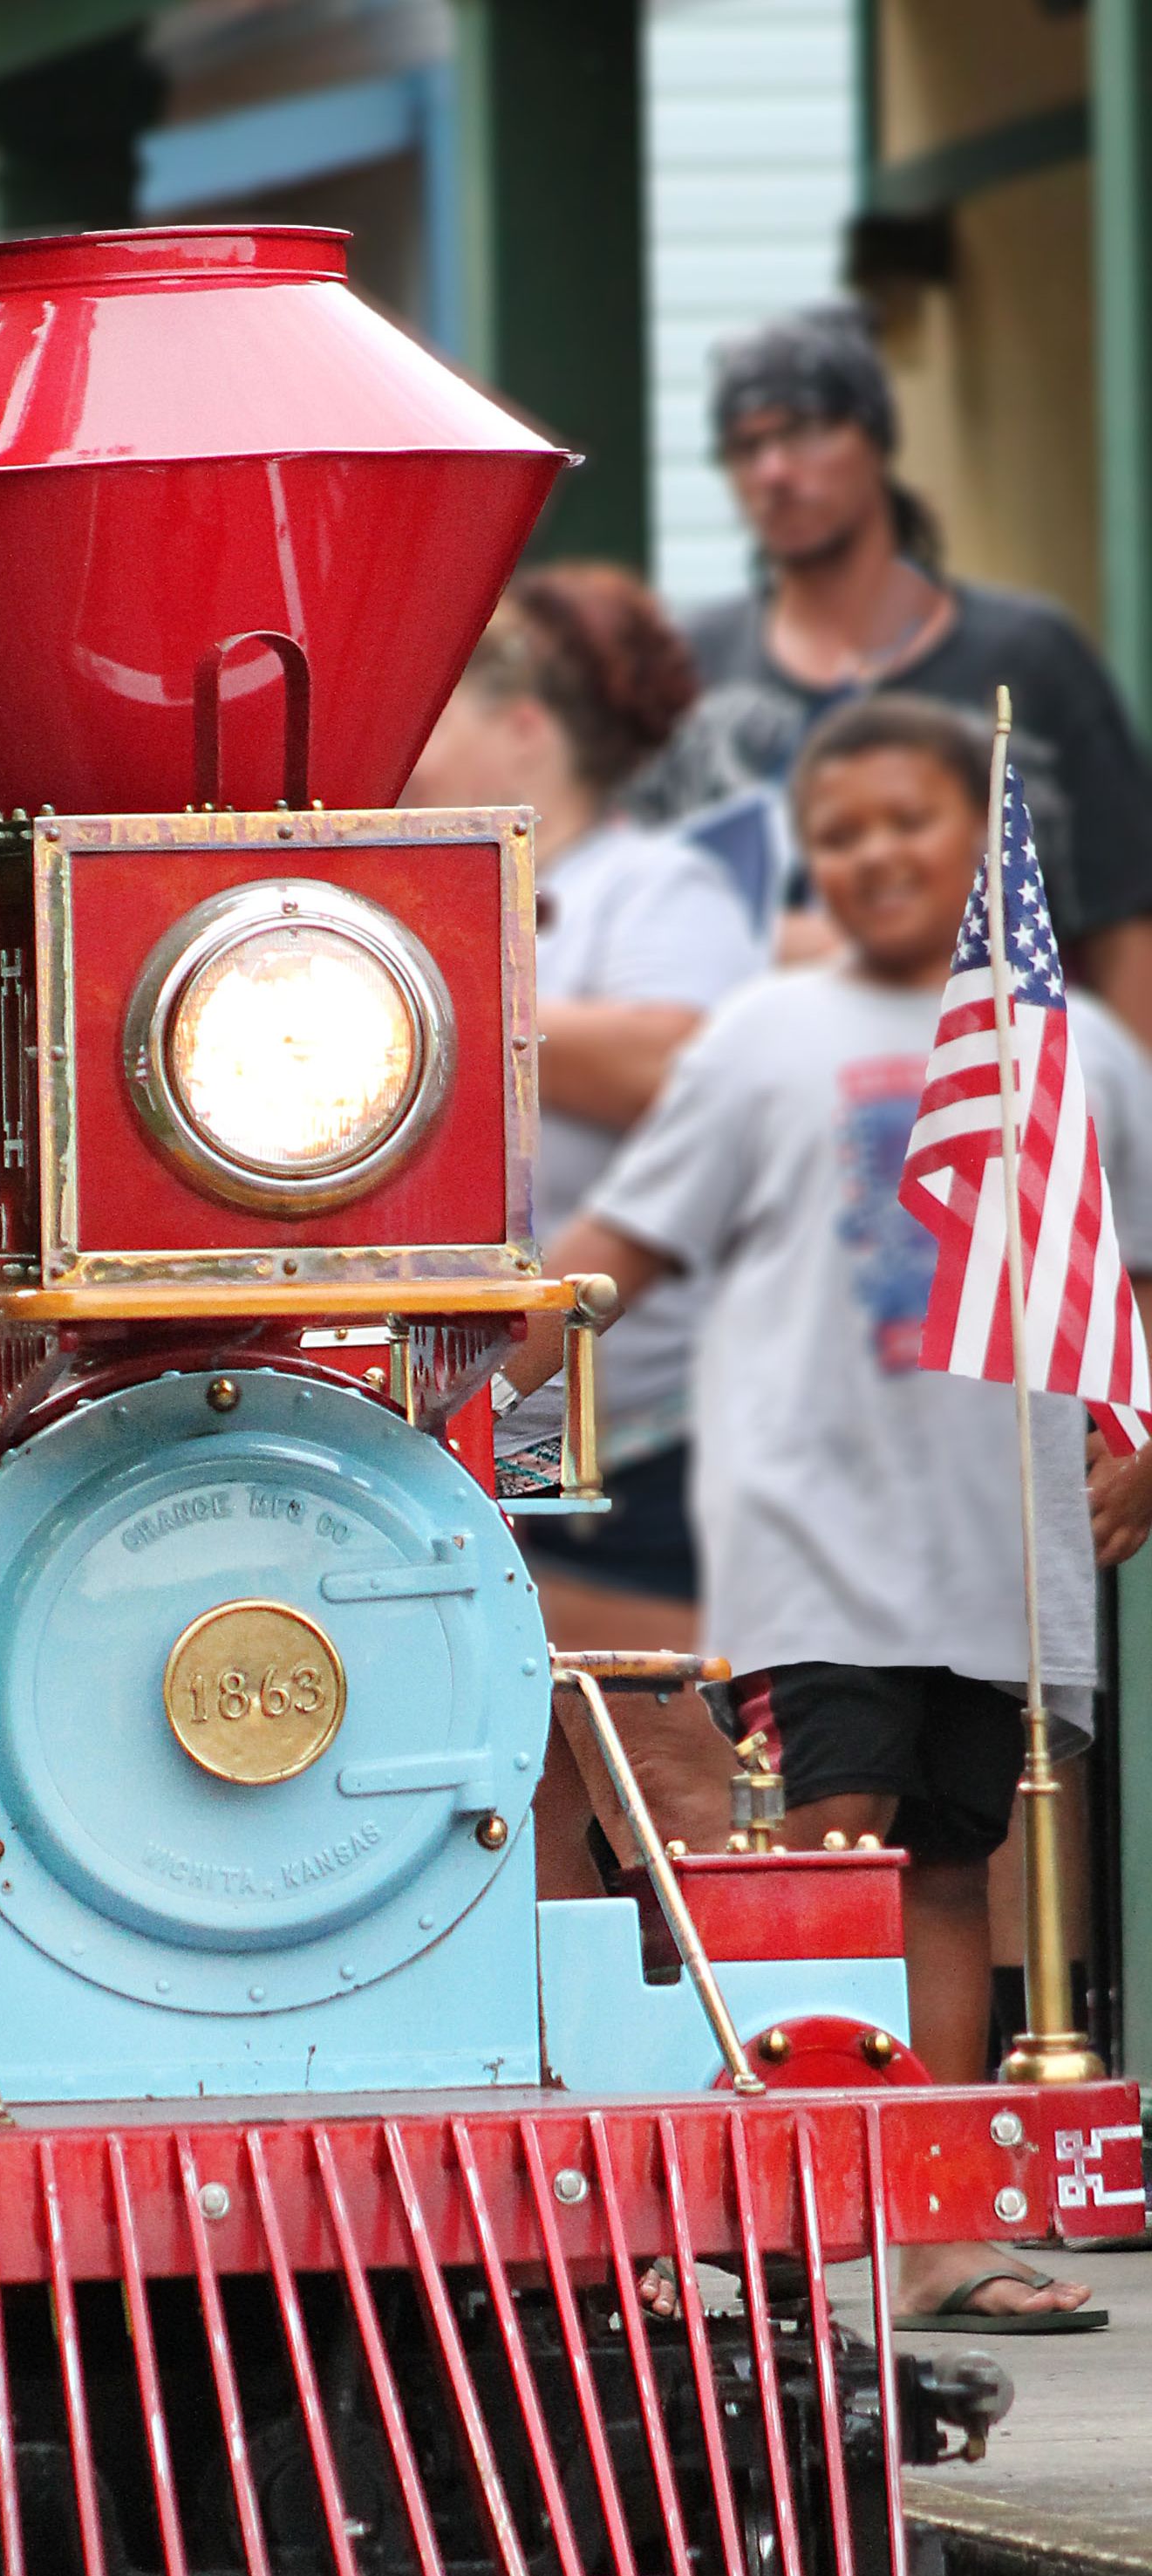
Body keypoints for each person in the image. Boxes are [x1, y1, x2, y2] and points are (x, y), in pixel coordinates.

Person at [508, 694, 1152, 2327]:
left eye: (906, 823)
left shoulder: (1080, 1052)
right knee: (819, 1852)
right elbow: (615, 1252)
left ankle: (929, 2232)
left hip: (994, 1534)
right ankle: (773, 2206)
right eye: (840, 832)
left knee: (941, 1869)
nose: (873, 857)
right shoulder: (758, 1043)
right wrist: (454, 1369)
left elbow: (1124, 1283)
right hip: (811, 1534)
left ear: (982, 845)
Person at [410, 567, 764, 1888]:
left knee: (675, 1779)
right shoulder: (414, 907)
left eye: (434, 719)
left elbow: (690, 1067)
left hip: (637, 1442)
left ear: (525, 729)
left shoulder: (649, 891)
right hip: (467, 1428)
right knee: (515, 1795)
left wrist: (440, 1009)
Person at [648, 303, 1152, 1038]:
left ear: (876, 438)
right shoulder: (688, 671)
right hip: (771, 1098)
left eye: (806, 431)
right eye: (744, 448)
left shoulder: (1029, 655)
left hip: (1001, 1092)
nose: (775, 471)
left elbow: (1123, 918)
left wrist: (1128, 1115)